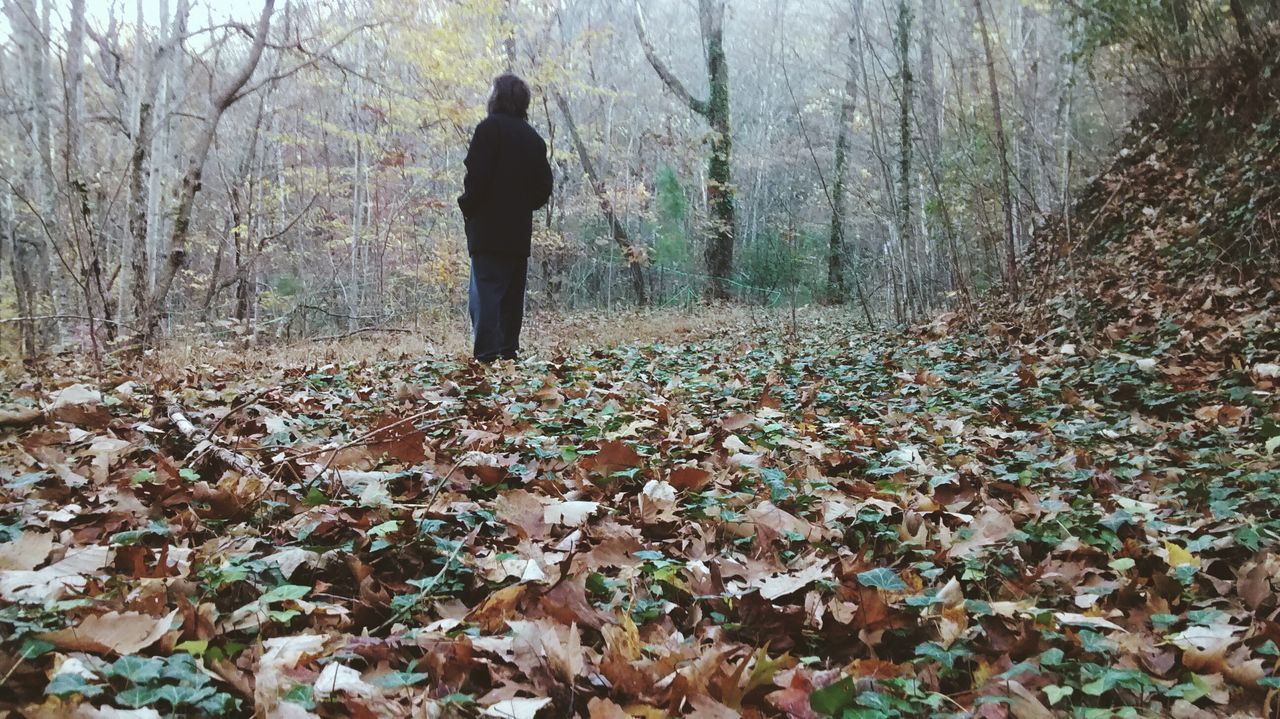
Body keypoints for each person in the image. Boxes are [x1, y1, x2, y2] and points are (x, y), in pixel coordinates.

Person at [458, 73, 553, 363]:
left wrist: (467, 206)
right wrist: (522, 206)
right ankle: (508, 353)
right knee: (512, 296)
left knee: (485, 294)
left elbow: (476, 178)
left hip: (487, 231)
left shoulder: (488, 130)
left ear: (497, 97)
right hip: (517, 232)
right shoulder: (533, 139)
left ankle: (486, 356)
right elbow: (543, 188)